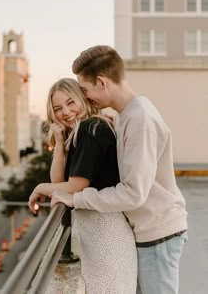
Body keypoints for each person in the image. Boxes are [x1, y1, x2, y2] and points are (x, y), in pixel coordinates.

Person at [50, 46, 188, 294]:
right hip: (148, 230)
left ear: (101, 82)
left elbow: (133, 193)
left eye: (84, 90)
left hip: (158, 233)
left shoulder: (140, 120)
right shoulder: (125, 115)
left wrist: (76, 198)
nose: (86, 97)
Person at [29, 78, 137, 294]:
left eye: (71, 103)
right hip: (99, 234)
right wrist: (59, 142)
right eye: (58, 108)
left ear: (82, 99)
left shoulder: (92, 128)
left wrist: (39, 188)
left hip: (107, 234)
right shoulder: (81, 134)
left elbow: (75, 186)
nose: (66, 112)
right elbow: (58, 183)